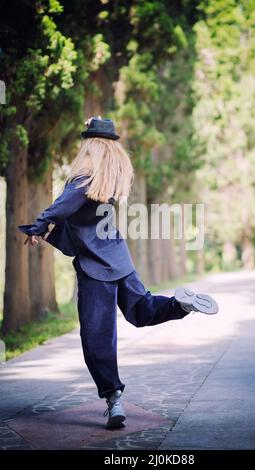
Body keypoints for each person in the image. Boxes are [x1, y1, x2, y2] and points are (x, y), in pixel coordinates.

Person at [19, 116, 219, 429]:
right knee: (142, 310)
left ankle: (113, 399)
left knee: (97, 338)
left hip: (96, 268)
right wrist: (49, 229)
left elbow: (63, 205)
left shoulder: (84, 179)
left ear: (90, 146)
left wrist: (39, 225)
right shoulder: (112, 178)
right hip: (119, 258)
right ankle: (181, 304)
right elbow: (78, 220)